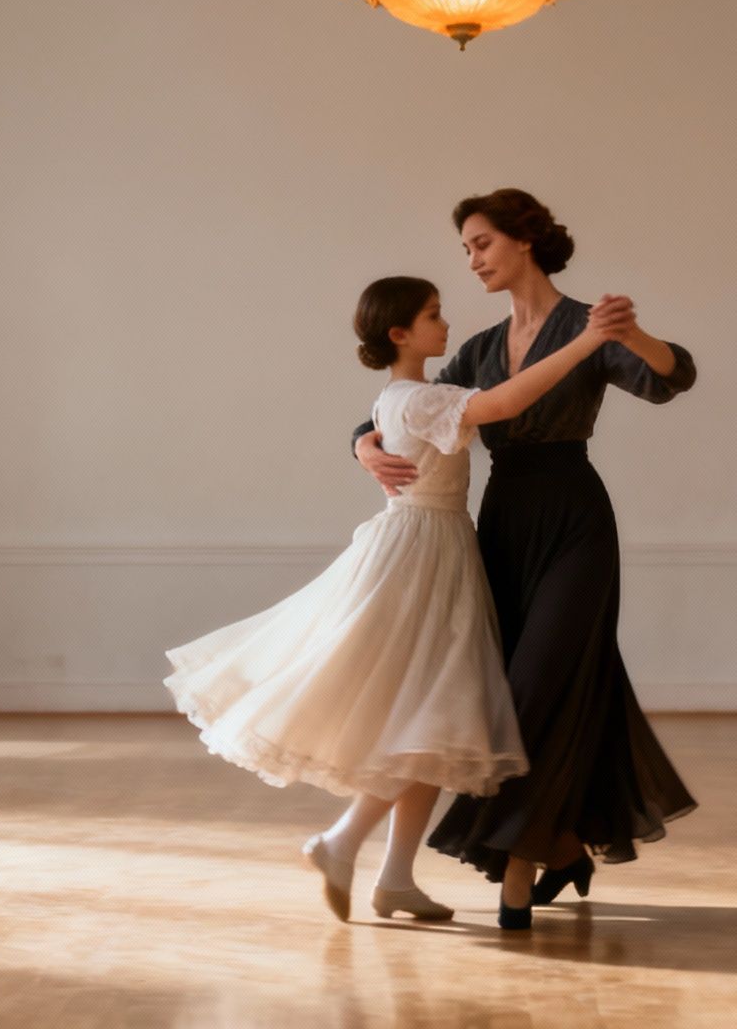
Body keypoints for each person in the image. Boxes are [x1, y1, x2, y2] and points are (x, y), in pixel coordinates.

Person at [165, 274, 623, 924]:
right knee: (432, 721)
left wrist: (360, 441)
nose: (447, 323)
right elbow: (501, 404)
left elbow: (463, 409)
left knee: (437, 724)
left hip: (431, 546)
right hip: (424, 558)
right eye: (433, 315)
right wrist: (585, 344)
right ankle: (341, 841)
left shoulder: (399, 399)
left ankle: (395, 878)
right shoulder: (419, 400)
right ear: (400, 334)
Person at [353, 190, 699, 930]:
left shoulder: (588, 325)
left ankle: (516, 869)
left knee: (540, 685)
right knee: (517, 690)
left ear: (523, 242)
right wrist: (361, 444)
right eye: (469, 249)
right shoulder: (478, 349)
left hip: (575, 519)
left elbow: (674, 377)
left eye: (481, 244)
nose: (473, 260)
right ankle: (564, 843)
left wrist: (632, 335)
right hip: (502, 525)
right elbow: (401, 404)